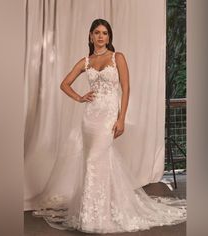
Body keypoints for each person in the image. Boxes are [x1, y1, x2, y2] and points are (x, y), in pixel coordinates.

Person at [33, 18, 186, 233]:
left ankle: (98, 215)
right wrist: (79, 98)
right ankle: (91, 213)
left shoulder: (118, 57)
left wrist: (121, 118)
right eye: (97, 32)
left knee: (97, 161)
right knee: (92, 163)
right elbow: (64, 84)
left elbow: (126, 88)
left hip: (107, 118)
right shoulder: (85, 61)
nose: (101, 36)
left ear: (109, 37)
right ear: (90, 36)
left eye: (104, 33)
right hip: (90, 119)